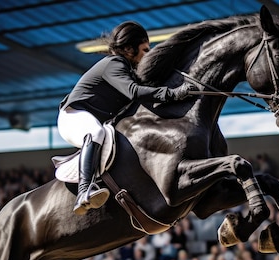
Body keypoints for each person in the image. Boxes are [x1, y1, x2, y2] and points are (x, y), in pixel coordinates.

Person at [58, 21, 195, 215]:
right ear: (129, 49)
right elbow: (135, 91)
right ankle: (84, 191)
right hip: (72, 116)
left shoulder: (128, 70)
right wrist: (172, 94)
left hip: (94, 118)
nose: (147, 54)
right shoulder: (115, 63)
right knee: (94, 132)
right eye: (145, 50)